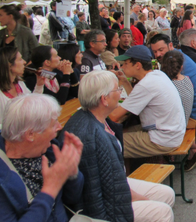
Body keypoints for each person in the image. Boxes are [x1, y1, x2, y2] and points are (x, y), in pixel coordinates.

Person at [63, 71, 175, 222]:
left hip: (111, 187)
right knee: (163, 212)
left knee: (166, 194)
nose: (121, 93)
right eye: (117, 90)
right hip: (100, 208)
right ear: (104, 99)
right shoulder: (94, 135)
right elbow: (111, 189)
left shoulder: (92, 118)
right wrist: (141, 199)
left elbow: (113, 180)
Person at [0, 93, 84, 222]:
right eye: (53, 124)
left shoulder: (49, 150)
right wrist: (50, 189)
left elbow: (72, 198)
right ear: (31, 134)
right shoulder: (3, 175)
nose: (59, 127)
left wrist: (72, 173)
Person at [109, 46, 186, 158]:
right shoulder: (158, 75)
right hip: (172, 133)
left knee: (111, 143)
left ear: (138, 65)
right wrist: (125, 82)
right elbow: (135, 100)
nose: (122, 67)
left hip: (163, 139)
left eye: (126, 63)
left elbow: (113, 117)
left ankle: (124, 174)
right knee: (121, 132)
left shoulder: (146, 84)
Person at [149, 33, 196, 121]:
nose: (158, 54)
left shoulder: (175, 62)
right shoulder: (178, 56)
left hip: (195, 116)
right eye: (155, 52)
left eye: (161, 49)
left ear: (170, 45)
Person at [0, 48, 44, 123]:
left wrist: (39, 85)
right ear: (9, 65)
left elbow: (33, 105)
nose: (24, 62)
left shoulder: (19, 83)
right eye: (20, 59)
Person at [161, 50, 195, 129]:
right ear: (181, 67)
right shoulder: (187, 80)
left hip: (173, 129)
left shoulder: (167, 85)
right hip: (184, 123)